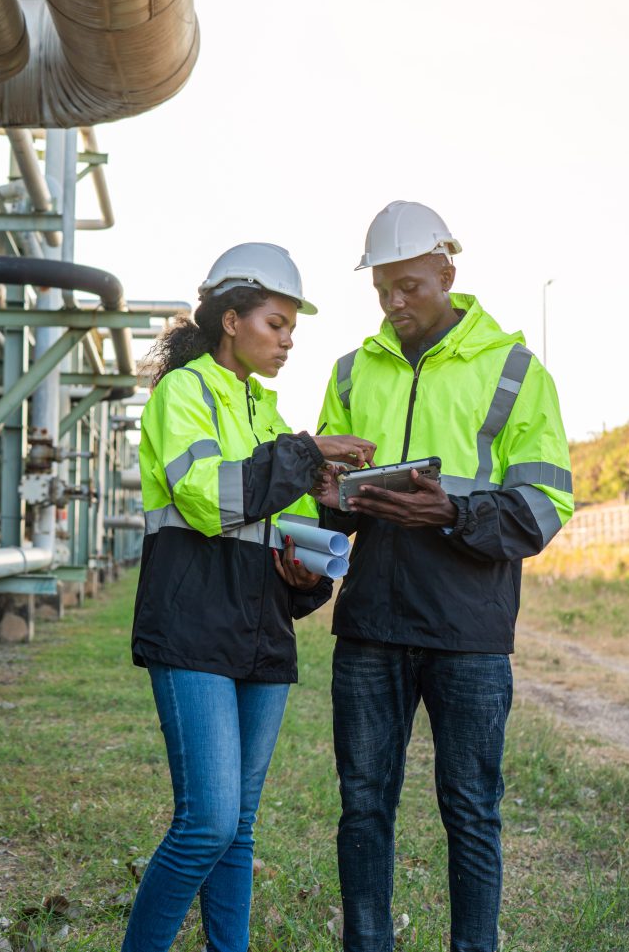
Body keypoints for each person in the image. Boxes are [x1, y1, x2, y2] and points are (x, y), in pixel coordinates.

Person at [315, 202, 572, 952]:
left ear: (447, 273)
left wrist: (451, 512)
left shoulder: (515, 369)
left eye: (410, 287)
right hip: (370, 626)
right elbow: (327, 504)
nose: (395, 303)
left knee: (470, 808)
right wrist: (329, 500)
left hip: (470, 632)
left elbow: (543, 507)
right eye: (383, 289)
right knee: (363, 806)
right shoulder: (350, 371)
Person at [124, 242, 376, 952]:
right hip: (193, 627)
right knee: (206, 819)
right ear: (231, 319)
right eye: (276, 323)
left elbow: (278, 530)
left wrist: (312, 568)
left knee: (237, 825)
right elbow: (210, 500)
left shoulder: (266, 413)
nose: (288, 339)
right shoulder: (185, 393)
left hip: (261, 634)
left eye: (293, 326)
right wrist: (306, 452)